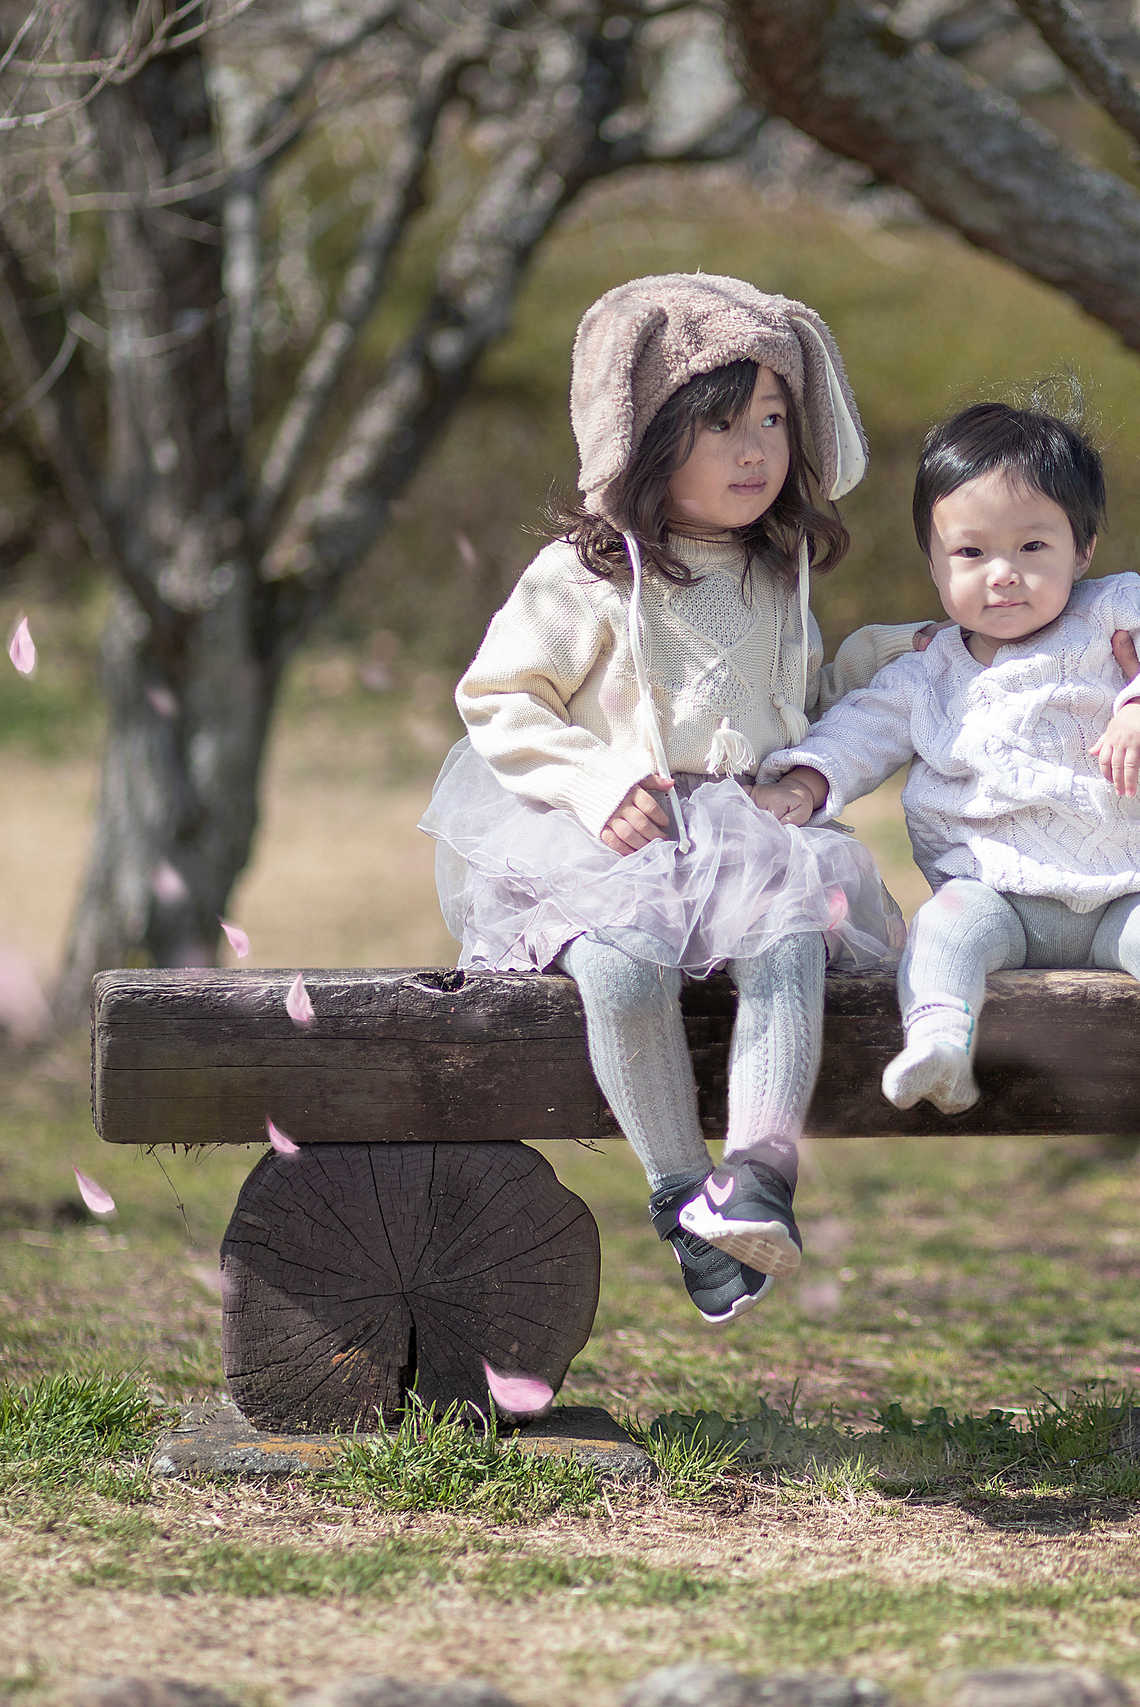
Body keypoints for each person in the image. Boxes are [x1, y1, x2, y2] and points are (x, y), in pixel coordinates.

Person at [421, 274, 925, 1325]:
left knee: (792, 936)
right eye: (721, 427)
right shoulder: (584, 574)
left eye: (775, 422)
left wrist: (894, 654)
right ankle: (674, 1190)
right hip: (608, 829)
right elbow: (498, 699)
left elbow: (787, 706)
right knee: (620, 964)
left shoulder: (775, 568)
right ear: (645, 441)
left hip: (739, 833)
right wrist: (597, 782)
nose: (755, 452)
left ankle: (756, 1180)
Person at [758, 401, 1140, 1159]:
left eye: (1032, 545)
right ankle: (940, 1043)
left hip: (1120, 891)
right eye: (970, 553)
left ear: (1082, 547)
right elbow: (857, 729)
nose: (1004, 576)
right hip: (993, 894)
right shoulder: (924, 673)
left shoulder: (1110, 615)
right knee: (943, 926)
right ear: (933, 559)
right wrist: (807, 777)